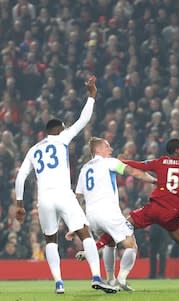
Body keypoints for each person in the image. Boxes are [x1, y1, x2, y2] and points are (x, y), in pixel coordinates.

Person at [14, 76, 117, 294]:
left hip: (44, 199)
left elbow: (21, 176)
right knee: (84, 233)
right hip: (63, 194)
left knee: (51, 240)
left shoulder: (33, 150)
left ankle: (59, 283)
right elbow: (84, 119)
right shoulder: (62, 138)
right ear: (60, 129)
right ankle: (96, 277)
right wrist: (91, 96)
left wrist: (20, 204)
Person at [78, 138, 179, 290]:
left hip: (153, 208)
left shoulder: (161, 162)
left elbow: (140, 165)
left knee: (125, 224)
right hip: (170, 213)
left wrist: (125, 161)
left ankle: (95, 248)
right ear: (177, 150)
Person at [75, 137, 157, 291]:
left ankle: (110, 279)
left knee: (110, 243)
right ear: (98, 150)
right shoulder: (109, 162)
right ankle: (122, 279)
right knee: (131, 245)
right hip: (108, 212)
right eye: (107, 147)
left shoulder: (84, 169)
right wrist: (154, 181)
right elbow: (133, 172)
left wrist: (76, 222)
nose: (111, 150)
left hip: (91, 215)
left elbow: (78, 196)